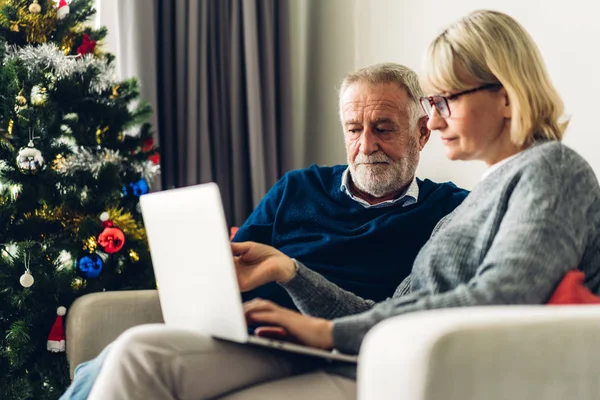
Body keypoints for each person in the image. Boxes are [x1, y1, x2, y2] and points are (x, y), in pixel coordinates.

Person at [87, 9, 600, 399]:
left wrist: (326, 332)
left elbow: (505, 295)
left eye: (446, 102)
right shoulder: (478, 199)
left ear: (506, 95)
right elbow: (391, 313)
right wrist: (292, 273)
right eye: (432, 104)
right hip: (371, 351)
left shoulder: (551, 169)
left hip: (404, 368)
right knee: (139, 350)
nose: (437, 119)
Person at [60, 63, 467, 399]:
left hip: (335, 351)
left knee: (127, 358)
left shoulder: (450, 211)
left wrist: (288, 272)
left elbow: (396, 317)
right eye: (353, 129)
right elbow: (233, 269)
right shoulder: (297, 187)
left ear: (421, 132)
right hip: (255, 339)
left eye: (383, 128)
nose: (366, 145)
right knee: (113, 359)